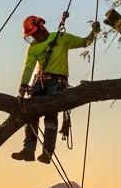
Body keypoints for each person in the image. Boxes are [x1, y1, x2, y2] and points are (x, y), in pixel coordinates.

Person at [12, 13, 100, 162]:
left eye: (34, 34)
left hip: (57, 82)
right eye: (31, 36)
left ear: (41, 28)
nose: (34, 38)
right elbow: (29, 67)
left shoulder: (61, 38)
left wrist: (94, 32)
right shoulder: (33, 48)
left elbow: (84, 42)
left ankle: (47, 152)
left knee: (50, 116)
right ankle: (28, 150)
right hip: (40, 82)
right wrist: (23, 86)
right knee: (31, 114)